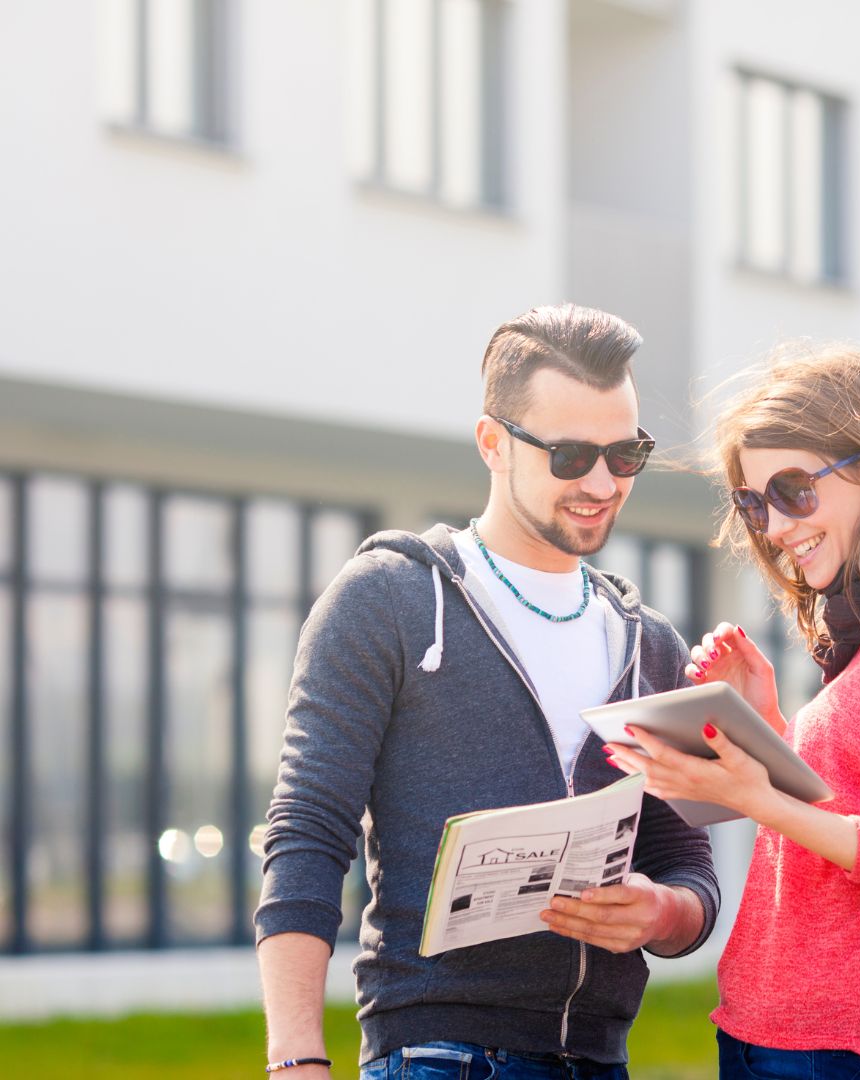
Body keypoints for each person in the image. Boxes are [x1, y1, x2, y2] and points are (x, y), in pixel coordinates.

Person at [254, 303, 720, 1079]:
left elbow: (688, 861)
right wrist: (296, 1058)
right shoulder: (391, 601)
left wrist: (664, 912)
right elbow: (306, 830)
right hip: (439, 1055)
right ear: (493, 444)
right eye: (570, 455)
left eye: (625, 453)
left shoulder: (651, 645)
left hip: (601, 1059)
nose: (602, 483)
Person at [605, 345, 860, 1080]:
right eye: (753, 503)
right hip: (771, 1034)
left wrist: (758, 793)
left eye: (793, 489)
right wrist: (768, 733)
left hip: (852, 1052)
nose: (774, 526)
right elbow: (848, 817)